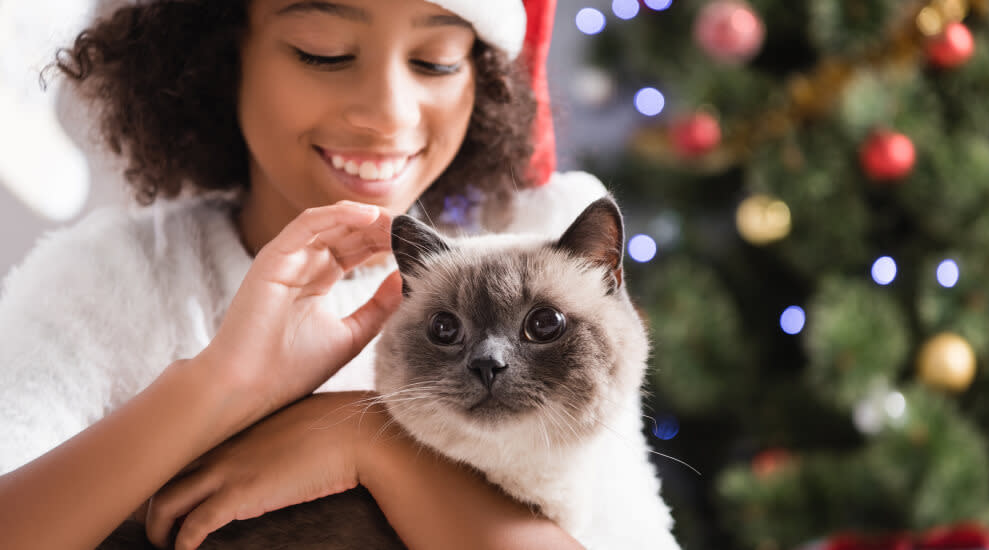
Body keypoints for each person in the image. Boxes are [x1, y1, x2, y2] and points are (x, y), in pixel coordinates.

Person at [0, 0, 609, 549]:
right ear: (219, 55)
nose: (387, 113)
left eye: (436, 62)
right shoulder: (105, 279)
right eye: (325, 52)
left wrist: (370, 446)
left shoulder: (538, 257)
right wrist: (219, 384)